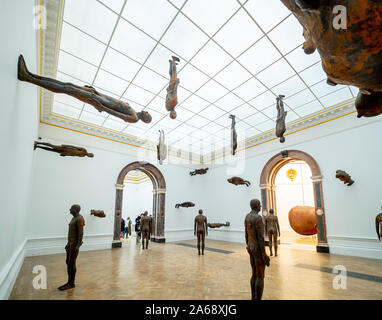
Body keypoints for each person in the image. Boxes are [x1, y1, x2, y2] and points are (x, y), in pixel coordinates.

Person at [18, 54, 152, 124]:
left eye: (147, 114)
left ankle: (26, 77)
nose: (145, 111)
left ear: (146, 120)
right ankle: (30, 75)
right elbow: (112, 99)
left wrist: (100, 106)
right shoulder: (134, 111)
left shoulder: (134, 118)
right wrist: (96, 91)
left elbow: (116, 114)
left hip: (96, 100)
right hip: (96, 95)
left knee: (66, 89)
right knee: (67, 84)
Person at [244, 199, 270, 300]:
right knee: (260, 276)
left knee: (254, 274)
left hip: (250, 247)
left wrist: (248, 246)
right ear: (255, 206)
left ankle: (253, 297)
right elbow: (261, 238)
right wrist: (264, 254)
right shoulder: (258, 218)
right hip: (258, 249)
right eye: (259, 205)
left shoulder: (247, 217)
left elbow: (246, 234)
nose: (260, 206)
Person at [58, 204, 85, 291]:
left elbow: (80, 233)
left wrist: (77, 245)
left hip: (74, 245)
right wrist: (68, 244)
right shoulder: (74, 218)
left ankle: (71, 283)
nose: (69, 209)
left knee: (71, 263)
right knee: (68, 262)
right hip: (70, 244)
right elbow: (72, 233)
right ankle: (69, 282)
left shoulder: (79, 218)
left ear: (76, 209)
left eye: (71, 208)